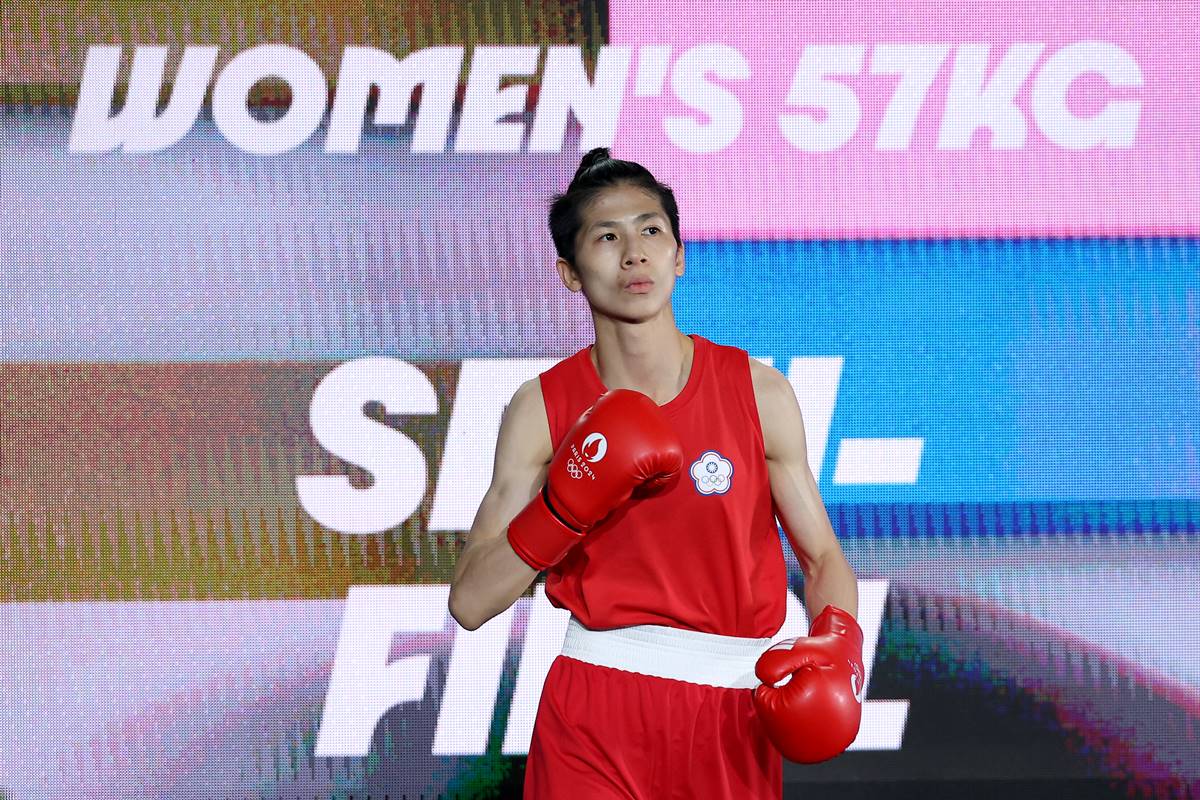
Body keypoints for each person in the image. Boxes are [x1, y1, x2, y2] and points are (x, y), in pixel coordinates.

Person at [447, 148, 863, 798]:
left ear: (679, 254)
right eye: (606, 237)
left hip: (730, 718)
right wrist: (563, 508)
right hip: (593, 713)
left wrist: (840, 641)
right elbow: (471, 602)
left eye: (650, 230)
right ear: (569, 272)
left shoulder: (758, 393)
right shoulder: (542, 409)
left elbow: (821, 559)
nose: (633, 253)